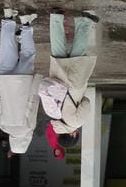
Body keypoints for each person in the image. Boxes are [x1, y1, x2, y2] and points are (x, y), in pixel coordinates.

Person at [37, 11, 98, 156]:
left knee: (79, 52)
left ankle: (84, 21)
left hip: (74, 84)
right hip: (57, 79)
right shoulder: (52, 117)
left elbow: (86, 103)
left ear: (72, 135)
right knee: (58, 49)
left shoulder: (76, 123)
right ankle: (56, 18)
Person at [0, 9, 42, 155]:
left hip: (23, 82)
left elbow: (32, 101)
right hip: (4, 81)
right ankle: (8, 17)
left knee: (28, 54)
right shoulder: (2, 125)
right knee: (6, 50)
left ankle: (26, 23)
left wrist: (37, 81)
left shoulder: (28, 127)